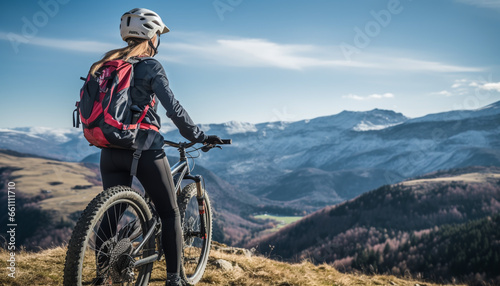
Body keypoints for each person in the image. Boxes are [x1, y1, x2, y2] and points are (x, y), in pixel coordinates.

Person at [90, 8, 223, 286]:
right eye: (159, 35)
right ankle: (175, 279)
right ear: (151, 37)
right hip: (144, 147)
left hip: (109, 147)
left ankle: (101, 276)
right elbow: (173, 108)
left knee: (111, 214)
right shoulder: (150, 66)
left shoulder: (106, 64)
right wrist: (198, 135)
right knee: (170, 211)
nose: (159, 41)